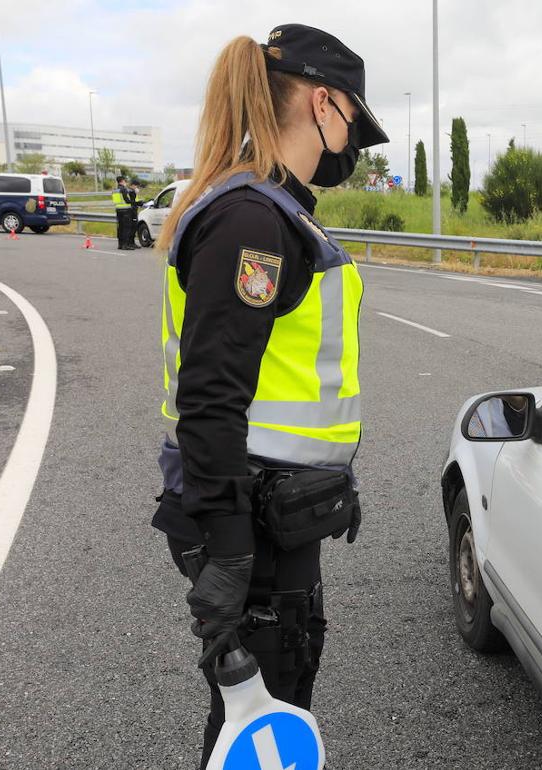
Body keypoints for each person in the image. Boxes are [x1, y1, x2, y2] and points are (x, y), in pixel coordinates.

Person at [149, 23, 387, 766]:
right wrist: (224, 548)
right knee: (259, 732)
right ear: (323, 103)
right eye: (352, 116)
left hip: (271, 516)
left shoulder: (270, 210)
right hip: (247, 523)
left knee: (255, 722)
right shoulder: (253, 219)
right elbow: (211, 396)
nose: (353, 139)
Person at [112, 174, 136, 250]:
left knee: (120, 228)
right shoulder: (124, 189)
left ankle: (120, 244)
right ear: (122, 181)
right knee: (127, 228)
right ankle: (125, 245)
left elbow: (116, 201)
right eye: (125, 181)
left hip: (118, 210)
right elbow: (127, 200)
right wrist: (137, 203)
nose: (126, 182)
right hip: (126, 211)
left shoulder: (115, 190)